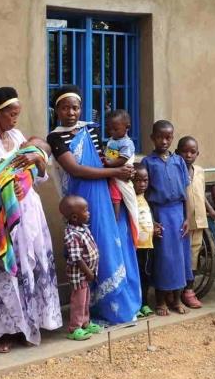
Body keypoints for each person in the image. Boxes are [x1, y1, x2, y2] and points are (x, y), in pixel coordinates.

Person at [0, 87, 62, 353]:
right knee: (3, 268)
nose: (15, 119)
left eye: (17, 114)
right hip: (0, 216)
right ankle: (3, 331)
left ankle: (29, 324)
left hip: (29, 211)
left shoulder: (20, 137)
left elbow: (39, 175)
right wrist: (7, 189)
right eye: (11, 114)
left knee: (29, 266)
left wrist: (35, 166)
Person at [46, 86, 139, 325]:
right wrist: (115, 170)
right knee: (88, 248)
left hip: (101, 193)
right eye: (65, 107)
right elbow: (74, 169)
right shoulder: (55, 137)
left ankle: (117, 306)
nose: (71, 112)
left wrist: (120, 170)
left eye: (75, 107)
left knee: (108, 244)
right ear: (56, 110)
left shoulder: (90, 130)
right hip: (80, 198)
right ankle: (90, 311)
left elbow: (100, 160)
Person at [140, 120, 192, 316]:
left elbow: (185, 192)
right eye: (160, 137)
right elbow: (144, 194)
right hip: (160, 213)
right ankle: (160, 300)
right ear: (153, 138)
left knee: (180, 259)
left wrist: (187, 218)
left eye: (168, 137)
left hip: (178, 214)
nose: (164, 141)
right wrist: (151, 221)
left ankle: (177, 300)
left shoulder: (179, 161)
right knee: (163, 258)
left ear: (172, 138)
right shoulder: (148, 162)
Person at [176, 136, 215, 309]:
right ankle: (176, 292)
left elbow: (202, 193)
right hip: (182, 222)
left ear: (197, 154)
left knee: (193, 256)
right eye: (185, 151)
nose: (188, 155)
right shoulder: (175, 170)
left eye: (192, 152)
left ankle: (189, 291)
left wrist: (211, 210)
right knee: (180, 257)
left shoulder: (199, 171)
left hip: (199, 220)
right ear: (177, 153)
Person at [61, 195, 101, 341]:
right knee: (78, 301)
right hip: (80, 274)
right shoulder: (72, 234)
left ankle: (85, 323)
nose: (88, 213)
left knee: (85, 299)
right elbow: (76, 257)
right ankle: (74, 328)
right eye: (85, 211)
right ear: (75, 217)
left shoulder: (82, 228)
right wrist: (88, 271)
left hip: (86, 274)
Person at [102, 109, 137, 231]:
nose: (112, 132)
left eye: (115, 129)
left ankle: (115, 218)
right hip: (111, 172)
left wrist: (110, 163)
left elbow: (123, 159)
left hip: (120, 176)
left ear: (127, 127)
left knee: (115, 195)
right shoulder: (113, 140)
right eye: (109, 129)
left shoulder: (127, 143)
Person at [133, 165, 156, 317]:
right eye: (138, 181)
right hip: (135, 247)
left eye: (145, 180)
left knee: (146, 275)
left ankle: (145, 303)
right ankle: (136, 305)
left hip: (148, 245)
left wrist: (155, 227)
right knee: (136, 276)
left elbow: (147, 217)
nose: (142, 184)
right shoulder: (129, 199)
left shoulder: (144, 199)